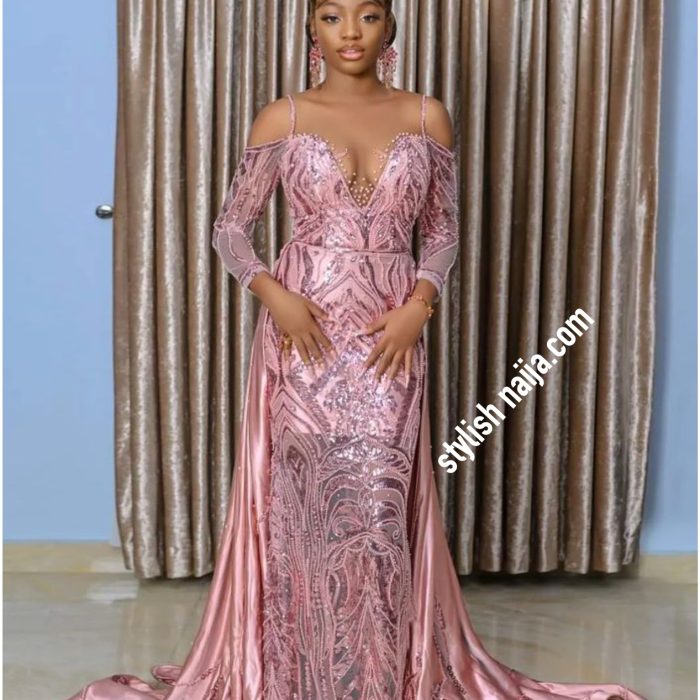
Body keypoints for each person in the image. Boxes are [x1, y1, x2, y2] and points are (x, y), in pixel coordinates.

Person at [66, 1, 647, 698]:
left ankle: (377, 675)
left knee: (378, 504)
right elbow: (231, 229)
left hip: (389, 338)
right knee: (302, 504)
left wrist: (419, 306)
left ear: (389, 29)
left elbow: (442, 231)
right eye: (332, 15)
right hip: (303, 336)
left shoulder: (426, 117)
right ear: (311, 29)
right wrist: (274, 295)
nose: (350, 31)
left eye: (368, 16)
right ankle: (297, 672)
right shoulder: (283, 117)